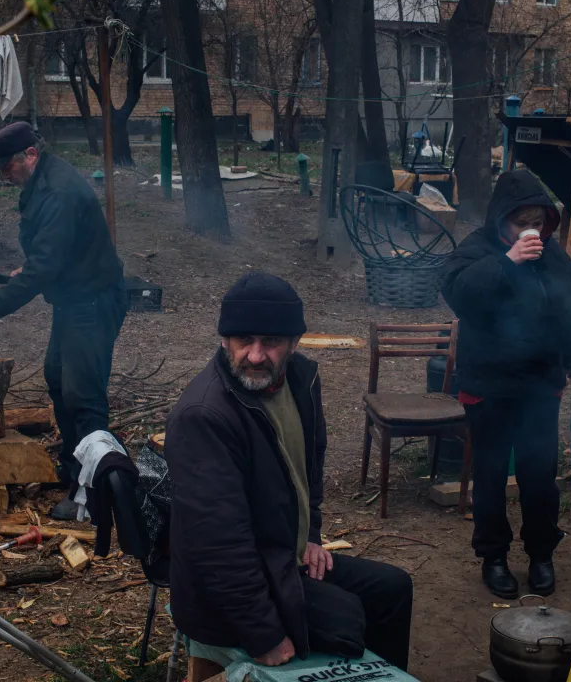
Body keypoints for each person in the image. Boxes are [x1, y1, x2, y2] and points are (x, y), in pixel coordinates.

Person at [166, 273, 413, 670]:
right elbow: (216, 544)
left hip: (281, 560)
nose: (256, 355)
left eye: (272, 342)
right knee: (349, 619)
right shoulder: (205, 416)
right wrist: (263, 634)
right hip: (229, 597)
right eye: (244, 340)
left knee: (393, 589)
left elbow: (308, 473)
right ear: (225, 340)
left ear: (295, 344)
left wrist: (311, 537)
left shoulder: (299, 379)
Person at [0, 121, 126, 521]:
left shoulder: (58, 192)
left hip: (92, 301)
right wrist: (31, 269)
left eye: (8, 167)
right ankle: (76, 468)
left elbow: (45, 266)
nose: (4, 175)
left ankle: (93, 495)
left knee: (83, 395)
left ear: (29, 155)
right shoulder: (42, 182)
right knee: (56, 377)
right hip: (74, 299)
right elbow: (49, 256)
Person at [440, 170, 571, 599]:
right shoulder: (476, 249)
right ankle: (494, 557)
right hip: (489, 384)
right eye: (522, 222)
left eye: (537, 222)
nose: (531, 231)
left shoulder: (553, 255)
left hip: (539, 384)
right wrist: (508, 262)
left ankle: (541, 555)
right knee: (490, 474)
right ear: (502, 219)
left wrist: (563, 365)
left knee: (540, 475)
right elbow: (459, 295)